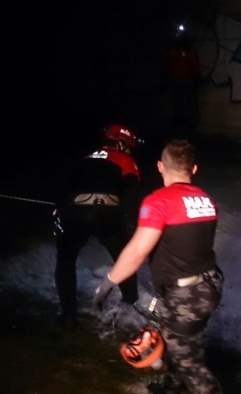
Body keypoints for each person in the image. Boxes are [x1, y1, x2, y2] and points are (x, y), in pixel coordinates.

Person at [93, 139, 224, 394]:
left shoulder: (159, 201)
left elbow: (137, 251)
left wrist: (109, 281)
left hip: (186, 294)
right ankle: (172, 389)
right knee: (179, 343)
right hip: (210, 285)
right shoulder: (208, 201)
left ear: (159, 166)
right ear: (193, 170)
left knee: (191, 366)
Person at [53, 123, 142, 330]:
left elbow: (63, 186)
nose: (130, 151)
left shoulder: (84, 159)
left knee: (65, 261)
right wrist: (132, 226)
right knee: (124, 258)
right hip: (107, 212)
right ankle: (130, 308)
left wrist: (59, 210)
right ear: (120, 144)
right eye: (128, 146)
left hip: (73, 210)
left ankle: (68, 315)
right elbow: (131, 194)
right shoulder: (126, 161)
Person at [163, 24, 201, 135]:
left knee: (186, 101)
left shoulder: (186, 49)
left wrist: (195, 75)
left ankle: (189, 121)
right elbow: (167, 63)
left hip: (185, 79)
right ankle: (181, 121)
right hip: (178, 79)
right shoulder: (173, 49)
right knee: (179, 101)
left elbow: (193, 63)